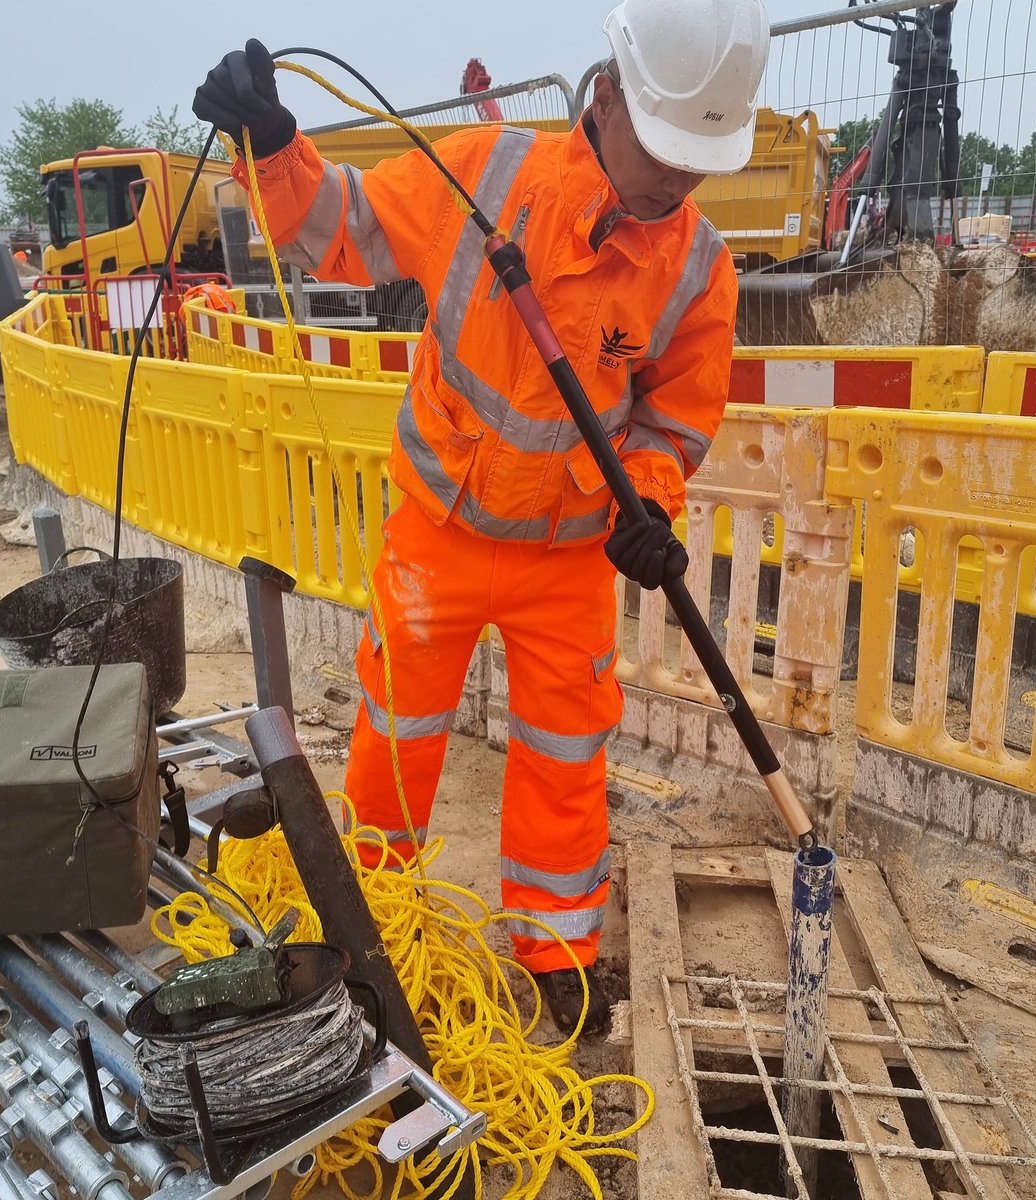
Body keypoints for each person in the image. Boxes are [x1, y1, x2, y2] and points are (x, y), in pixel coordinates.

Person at [194, 0, 769, 1035]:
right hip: (439, 537)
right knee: (397, 733)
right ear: (606, 98)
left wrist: (652, 501)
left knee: (564, 753)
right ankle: (373, 918)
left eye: (703, 159)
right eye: (670, 150)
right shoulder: (484, 175)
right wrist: (275, 149)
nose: (683, 180)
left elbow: (677, 420)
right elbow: (341, 232)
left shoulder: (697, 267)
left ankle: (558, 948)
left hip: (567, 562)